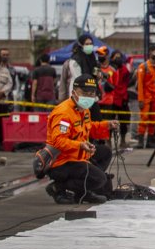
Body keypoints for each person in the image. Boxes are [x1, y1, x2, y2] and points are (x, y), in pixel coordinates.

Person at [44, 75, 119, 204]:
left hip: (78, 155)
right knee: (100, 179)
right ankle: (59, 187)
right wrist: (80, 145)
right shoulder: (63, 113)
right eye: (84, 93)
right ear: (74, 92)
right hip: (62, 160)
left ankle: (82, 192)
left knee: (105, 152)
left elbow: (89, 128)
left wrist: (107, 125)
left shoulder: (83, 110)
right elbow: (58, 141)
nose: (88, 97)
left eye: (92, 93)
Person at [134, 46, 155, 149]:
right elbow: (140, 84)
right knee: (144, 118)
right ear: (150, 52)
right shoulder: (143, 66)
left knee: (154, 118)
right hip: (145, 97)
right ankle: (141, 141)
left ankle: (150, 140)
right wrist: (140, 99)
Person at [61, 34, 98, 103]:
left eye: (91, 44)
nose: (89, 46)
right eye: (86, 44)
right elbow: (78, 79)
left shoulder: (92, 58)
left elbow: (94, 75)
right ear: (81, 45)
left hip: (91, 95)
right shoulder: (75, 61)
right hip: (79, 95)